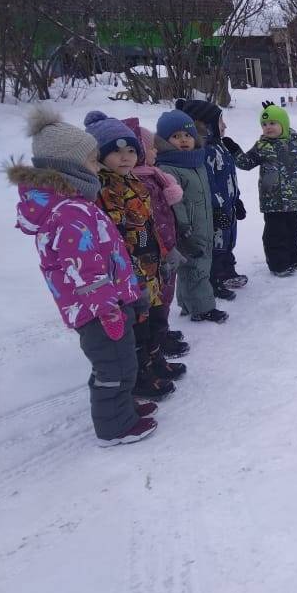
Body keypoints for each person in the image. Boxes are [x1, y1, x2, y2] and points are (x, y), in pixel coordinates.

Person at [7, 109, 156, 446]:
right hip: (100, 310)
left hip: (108, 303)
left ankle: (122, 408)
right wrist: (108, 309)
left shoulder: (73, 203)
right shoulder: (68, 213)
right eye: (92, 161)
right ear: (69, 167)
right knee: (113, 368)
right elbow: (85, 270)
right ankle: (115, 427)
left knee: (119, 362)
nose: (98, 166)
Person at [85, 112, 182, 399]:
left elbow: (149, 225)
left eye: (130, 150)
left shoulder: (135, 183)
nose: (125, 157)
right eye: (115, 151)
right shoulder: (101, 189)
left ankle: (155, 362)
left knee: (152, 319)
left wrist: (163, 254)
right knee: (137, 327)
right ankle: (141, 375)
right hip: (126, 273)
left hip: (149, 264)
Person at [225, 102, 297, 277]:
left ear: (284, 124)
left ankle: (295, 257)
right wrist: (235, 150)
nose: (268, 128)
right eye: (264, 124)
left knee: (294, 232)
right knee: (275, 234)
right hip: (272, 201)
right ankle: (279, 264)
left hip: (294, 201)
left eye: (273, 123)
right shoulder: (262, 146)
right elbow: (246, 164)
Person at [124, 118, 189, 359]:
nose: (155, 151)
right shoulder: (141, 182)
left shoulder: (153, 175)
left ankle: (163, 331)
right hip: (152, 251)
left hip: (165, 245)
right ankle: (158, 339)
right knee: (156, 297)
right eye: (151, 148)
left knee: (165, 292)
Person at [155, 109, 228, 323]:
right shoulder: (168, 167)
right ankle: (203, 308)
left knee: (196, 266)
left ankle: (188, 304)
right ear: (164, 141)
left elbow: (204, 193)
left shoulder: (196, 161)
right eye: (176, 136)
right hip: (187, 228)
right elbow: (174, 201)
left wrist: (215, 212)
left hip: (203, 224)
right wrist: (183, 226)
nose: (184, 140)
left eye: (187, 135)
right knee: (195, 268)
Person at [175, 99, 248, 299]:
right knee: (216, 245)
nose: (224, 125)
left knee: (228, 240)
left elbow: (229, 178)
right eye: (220, 121)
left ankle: (227, 272)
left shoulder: (220, 147)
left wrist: (237, 200)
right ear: (205, 125)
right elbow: (209, 183)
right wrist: (215, 209)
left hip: (229, 205)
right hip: (214, 210)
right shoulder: (205, 152)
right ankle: (213, 281)